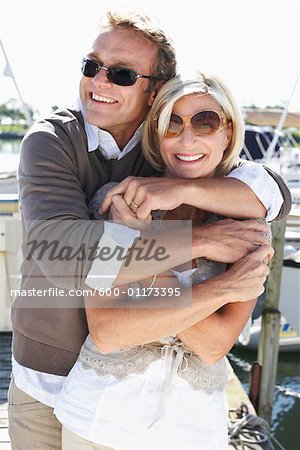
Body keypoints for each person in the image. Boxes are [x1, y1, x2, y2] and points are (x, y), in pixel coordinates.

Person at [8, 11, 290, 450]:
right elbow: (57, 251)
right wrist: (206, 252)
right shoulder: (57, 146)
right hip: (59, 382)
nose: (98, 82)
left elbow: (272, 192)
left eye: (120, 73)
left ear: (153, 89)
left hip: (187, 421)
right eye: (90, 66)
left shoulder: (171, 175)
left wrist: (173, 189)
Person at [54, 72, 273, 449]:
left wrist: (147, 248)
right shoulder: (120, 202)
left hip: (193, 433)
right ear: (156, 135)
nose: (187, 138)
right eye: (172, 123)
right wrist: (223, 287)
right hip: (97, 422)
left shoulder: (249, 228)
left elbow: (214, 346)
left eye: (205, 122)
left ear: (228, 132)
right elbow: (107, 330)